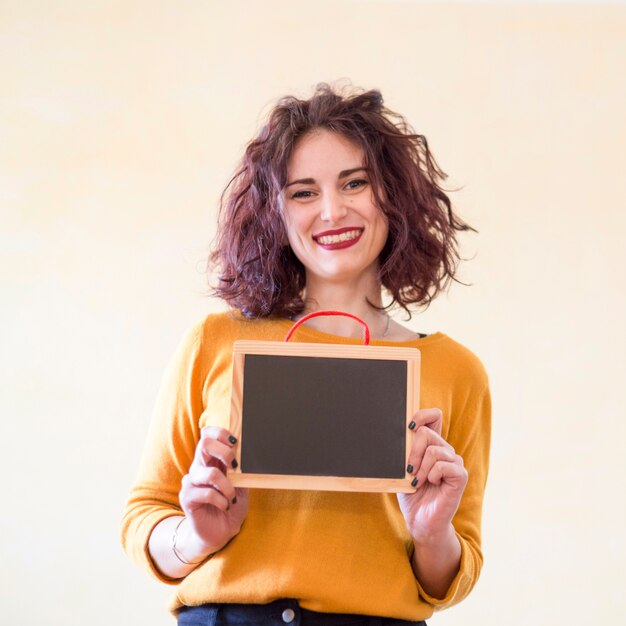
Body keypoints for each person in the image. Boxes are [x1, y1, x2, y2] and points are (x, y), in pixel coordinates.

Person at [120, 84, 491, 626]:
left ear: (394, 196)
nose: (332, 211)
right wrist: (195, 534)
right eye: (303, 192)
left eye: (355, 183)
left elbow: (453, 575)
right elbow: (143, 515)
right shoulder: (215, 341)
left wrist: (432, 533)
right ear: (275, 213)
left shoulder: (457, 371)